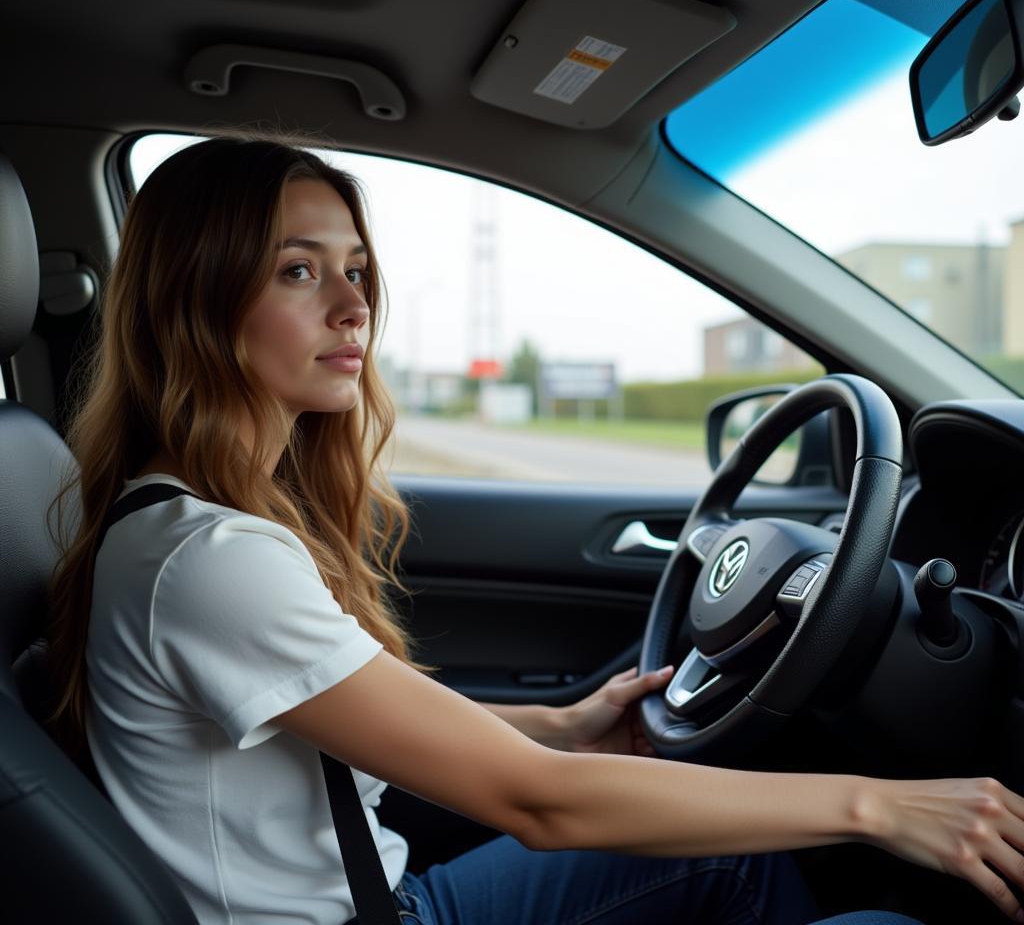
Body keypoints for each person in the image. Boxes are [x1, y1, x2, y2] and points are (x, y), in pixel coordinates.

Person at [45, 136, 1024, 925]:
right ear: (199, 301)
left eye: (355, 269)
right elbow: (539, 802)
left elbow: (353, 718)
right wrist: (881, 806)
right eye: (300, 271)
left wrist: (563, 724)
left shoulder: (184, 520)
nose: (354, 306)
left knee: (728, 845)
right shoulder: (211, 558)